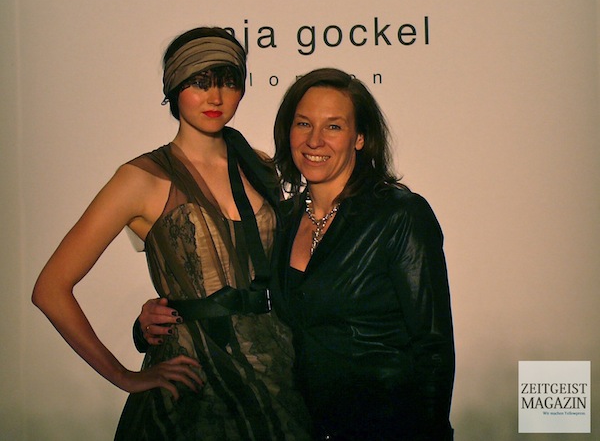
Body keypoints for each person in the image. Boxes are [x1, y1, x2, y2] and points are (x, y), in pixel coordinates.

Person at [32, 27, 311, 440]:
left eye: (228, 81)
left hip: (277, 378)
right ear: (174, 88)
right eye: (199, 82)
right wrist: (123, 376)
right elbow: (50, 289)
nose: (215, 97)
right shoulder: (140, 179)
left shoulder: (260, 165)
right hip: (194, 388)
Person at [272, 68, 455, 440]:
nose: (314, 140)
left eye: (333, 127)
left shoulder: (400, 215)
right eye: (303, 123)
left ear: (360, 137)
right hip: (304, 428)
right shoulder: (282, 221)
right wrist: (156, 319)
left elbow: (433, 347)